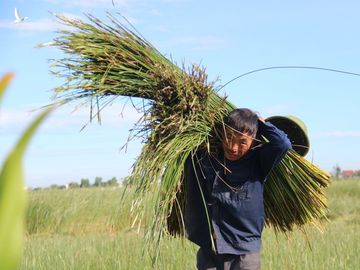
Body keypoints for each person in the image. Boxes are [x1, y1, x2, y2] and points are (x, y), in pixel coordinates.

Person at [183, 108, 292, 270]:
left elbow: (283, 144)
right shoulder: (209, 158)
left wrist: (260, 123)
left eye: (242, 142)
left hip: (244, 252)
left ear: (253, 141)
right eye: (229, 137)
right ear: (221, 133)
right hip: (211, 250)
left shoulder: (258, 162)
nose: (233, 147)